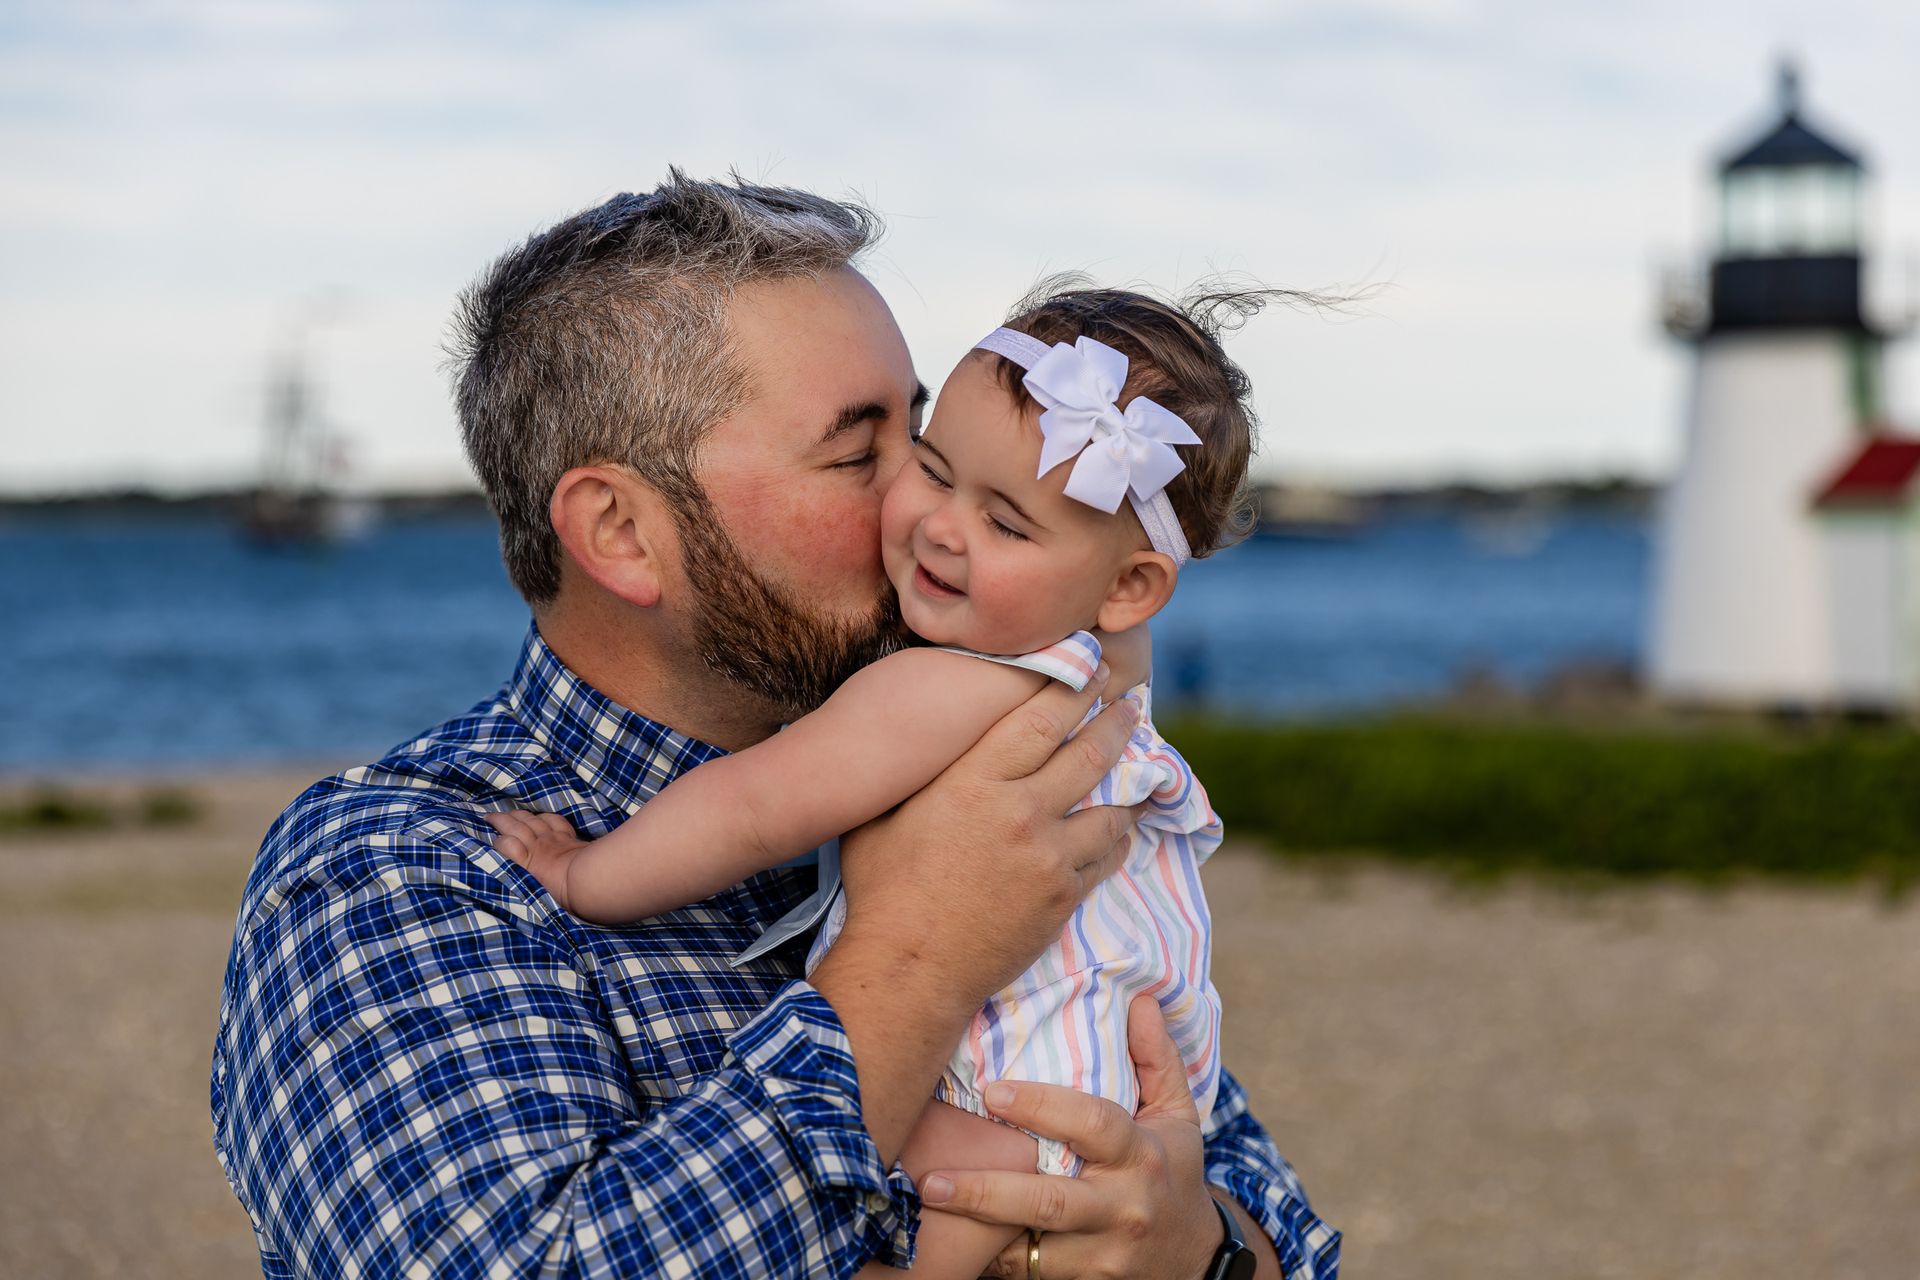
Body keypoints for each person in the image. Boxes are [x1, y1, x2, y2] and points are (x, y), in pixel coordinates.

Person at [210, 172, 1341, 1279]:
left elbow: (1254, 1200)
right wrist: (913, 959)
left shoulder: (1011, 783)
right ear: (621, 532)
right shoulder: (398, 873)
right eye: (864, 453)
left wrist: (1204, 1248)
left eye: (924, 430)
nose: (920, 500)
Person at [487, 284, 1274, 1278]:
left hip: (1016, 1099)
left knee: (909, 1200)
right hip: (1108, 1104)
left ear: (1128, 586)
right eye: (918, 465)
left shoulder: (942, 688)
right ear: (616, 526)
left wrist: (583, 877)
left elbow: (755, 806)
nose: (938, 524)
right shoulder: (1101, 670)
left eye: (1008, 523)